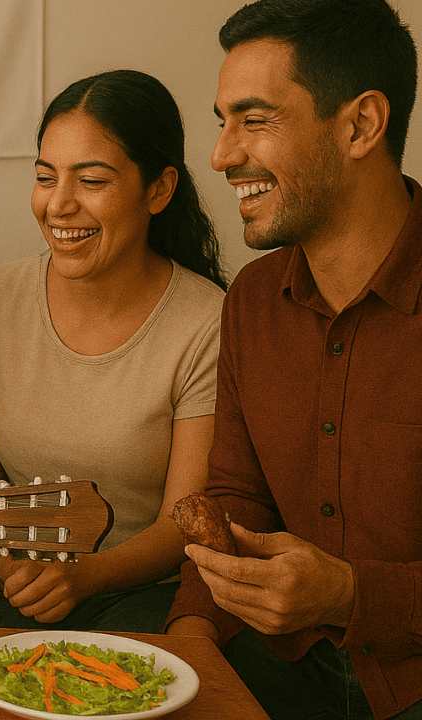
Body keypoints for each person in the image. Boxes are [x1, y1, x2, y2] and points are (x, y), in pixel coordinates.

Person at [165, 1, 422, 718]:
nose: (221, 156)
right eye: (223, 122)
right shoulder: (252, 299)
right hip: (285, 670)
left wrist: (348, 595)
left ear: (361, 125)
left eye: (255, 120)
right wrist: (190, 640)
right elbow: (236, 495)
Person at [0, 70, 227, 634]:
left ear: (159, 190)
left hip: (141, 598)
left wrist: (84, 577)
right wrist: (11, 568)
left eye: (92, 180)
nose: (59, 205)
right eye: (45, 177)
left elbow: (184, 519)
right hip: (11, 586)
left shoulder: (208, 321)